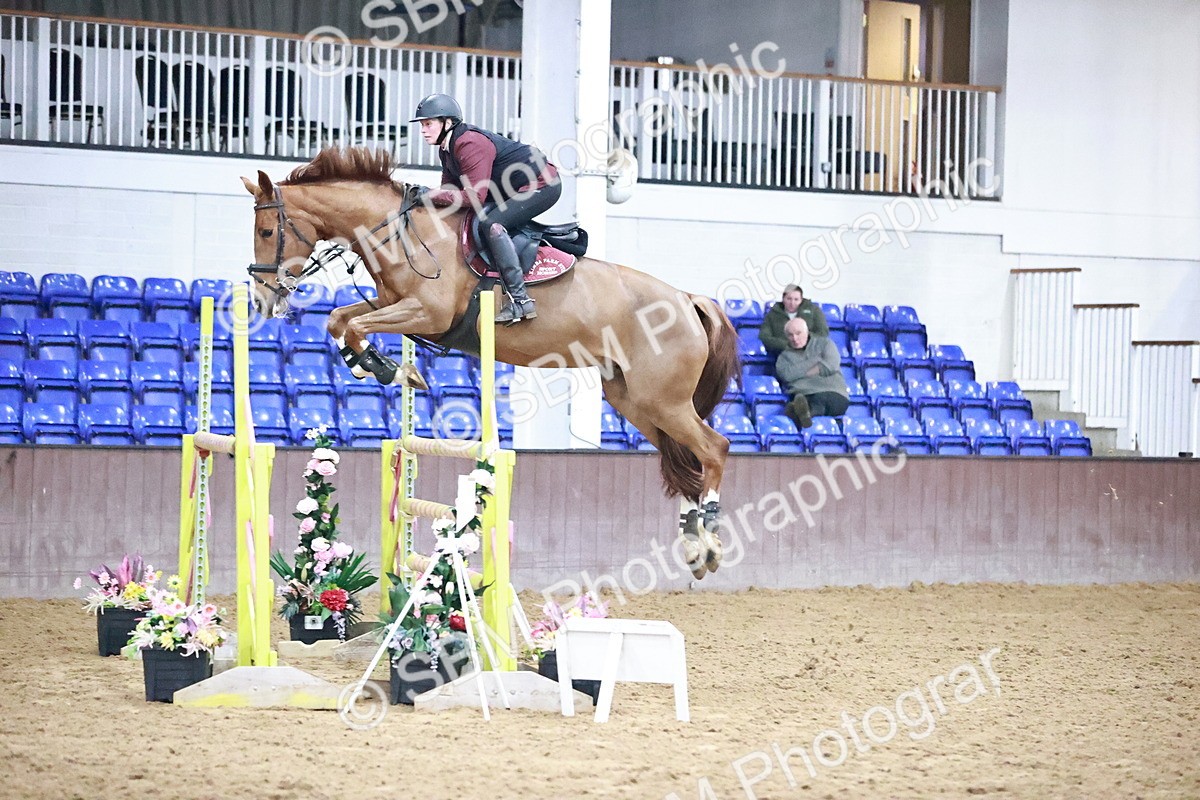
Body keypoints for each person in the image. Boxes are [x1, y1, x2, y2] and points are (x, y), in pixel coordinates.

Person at [412, 93, 561, 324]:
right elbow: (450, 195)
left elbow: (472, 197)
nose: (423, 130)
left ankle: (521, 300)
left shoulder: (469, 143)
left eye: (428, 123)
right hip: (509, 189)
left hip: (541, 183)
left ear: (448, 123)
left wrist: (428, 194)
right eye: (422, 125)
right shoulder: (447, 150)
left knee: (491, 223)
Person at [775, 317, 848, 428]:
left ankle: (799, 412)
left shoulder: (825, 344)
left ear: (807, 331)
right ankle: (803, 414)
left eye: (798, 333)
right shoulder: (784, 357)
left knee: (817, 402)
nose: (795, 338)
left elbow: (831, 366)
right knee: (808, 401)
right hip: (807, 394)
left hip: (835, 394)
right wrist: (816, 361)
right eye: (790, 335)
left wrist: (800, 373)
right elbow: (787, 375)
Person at [758, 284, 829, 357]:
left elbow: (822, 333)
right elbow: (764, 336)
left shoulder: (814, 311)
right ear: (783, 299)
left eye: (796, 299)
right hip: (781, 355)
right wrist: (787, 345)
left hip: (810, 354)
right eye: (789, 299)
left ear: (801, 300)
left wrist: (803, 343)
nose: (792, 303)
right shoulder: (772, 314)